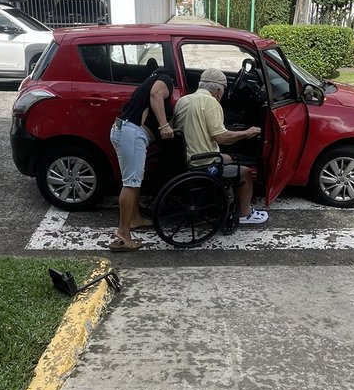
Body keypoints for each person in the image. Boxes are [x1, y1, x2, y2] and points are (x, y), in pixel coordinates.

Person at [172, 67, 268, 225]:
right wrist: (246, 133)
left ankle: (228, 198)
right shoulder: (211, 103)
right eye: (223, 90)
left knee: (229, 158)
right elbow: (222, 138)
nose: (222, 94)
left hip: (187, 158)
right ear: (217, 90)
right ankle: (244, 214)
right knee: (245, 173)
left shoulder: (184, 100)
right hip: (204, 163)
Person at [108, 66, 176, 251]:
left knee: (135, 181)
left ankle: (135, 219)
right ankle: (123, 232)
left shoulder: (145, 85)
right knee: (130, 183)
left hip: (125, 131)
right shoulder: (165, 78)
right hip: (132, 133)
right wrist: (164, 126)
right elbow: (156, 94)